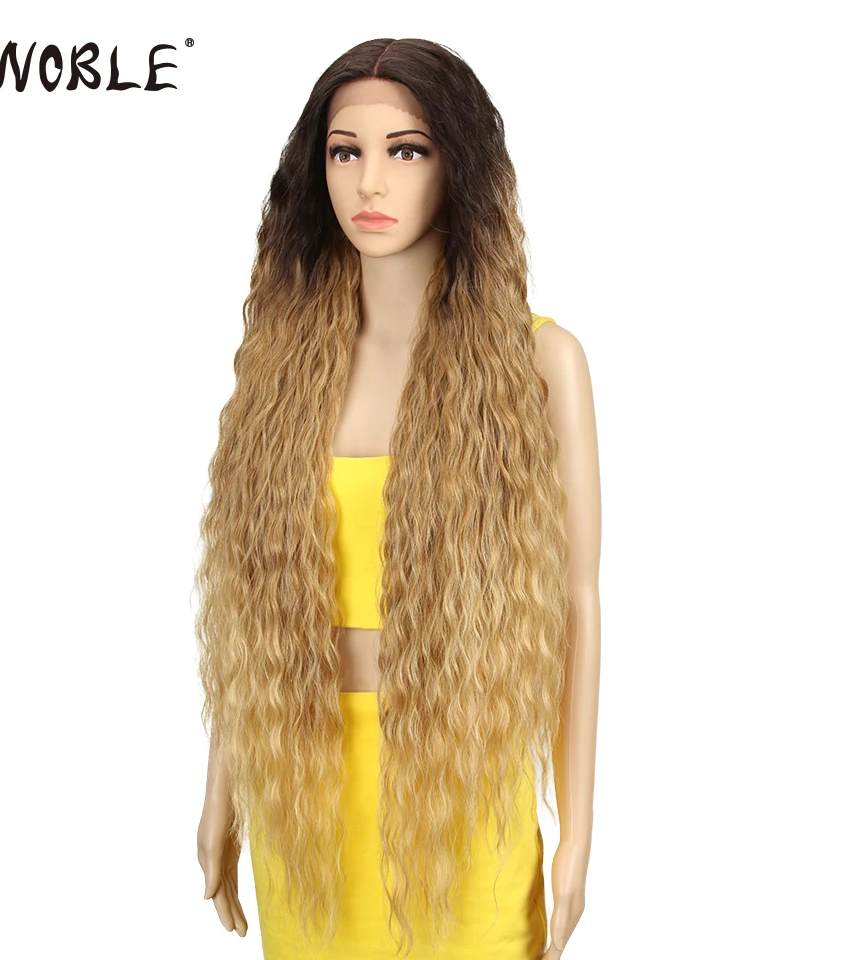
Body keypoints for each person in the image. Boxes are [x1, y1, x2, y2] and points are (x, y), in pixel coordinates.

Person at [194, 37, 601, 960]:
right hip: (300, 796)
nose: (369, 181)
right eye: (346, 152)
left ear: (459, 166)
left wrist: (577, 834)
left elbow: (577, 601)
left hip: (459, 793)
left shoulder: (540, 364)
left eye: (406, 149)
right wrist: (223, 791)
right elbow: (247, 600)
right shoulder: (280, 374)